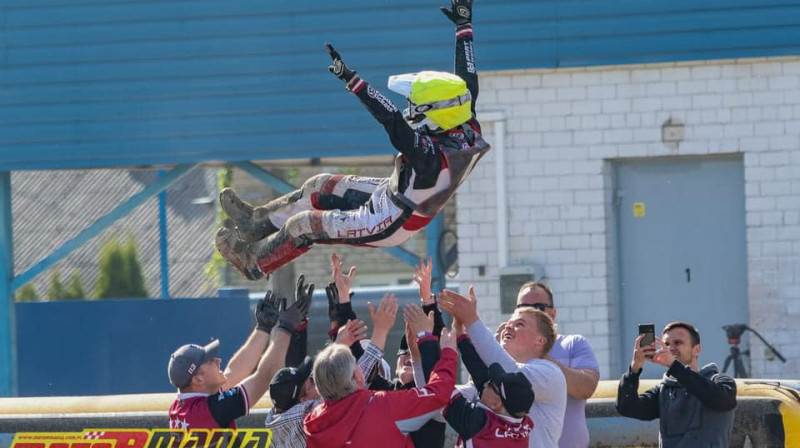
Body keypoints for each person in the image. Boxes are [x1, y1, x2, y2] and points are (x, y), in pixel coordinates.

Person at [215, 0, 490, 280]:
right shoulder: (465, 122)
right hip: (395, 193)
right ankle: (255, 223)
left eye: (416, 106)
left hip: (392, 221)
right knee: (319, 185)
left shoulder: (431, 159)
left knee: (303, 225)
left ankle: (253, 263)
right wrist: (463, 26)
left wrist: (354, 81)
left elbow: (391, 119)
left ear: (437, 113)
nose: (411, 110)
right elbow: (467, 79)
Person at [167, 276, 314, 429]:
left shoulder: (182, 405)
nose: (218, 360)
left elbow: (232, 374)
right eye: (209, 361)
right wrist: (286, 327)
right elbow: (265, 378)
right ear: (198, 380)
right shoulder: (211, 410)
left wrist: (263, 328)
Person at [439, 287, 567, 448]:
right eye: (508, 324)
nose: (508, 327)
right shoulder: (493, 383)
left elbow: (512, 373)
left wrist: (471, 320)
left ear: (540, 341)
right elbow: (437, 401)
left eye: (519, 324)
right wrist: (458, 333)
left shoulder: (550, 372)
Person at [303, 325, 458, 448]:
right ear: (357, 377)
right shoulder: (381, 405)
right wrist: (449, 353)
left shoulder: (313, 421)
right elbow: (438, 394)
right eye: (357, 364)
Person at [616, 321, 737, 448]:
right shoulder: (664, 390)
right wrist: (634, 368)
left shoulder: (720, 381)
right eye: (666, 344)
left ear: (696, 350)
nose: (670, 348)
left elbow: (721, 399)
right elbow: (627, 407)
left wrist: (674, 366)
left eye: (678, 343)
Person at [516, 281, 599, 448]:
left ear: (553, 313)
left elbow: (586, 388)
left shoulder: (573, 344)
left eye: (538, 307)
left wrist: (541, 353)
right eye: (524, 307)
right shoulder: (506, 350)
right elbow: (479, 394)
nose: (531, 313)